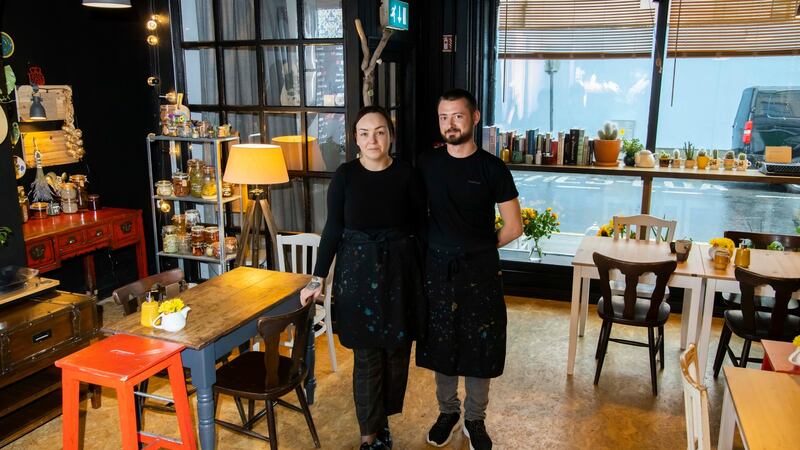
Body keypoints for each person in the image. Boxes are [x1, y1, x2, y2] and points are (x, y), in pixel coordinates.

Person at [300, 105, 426, 450]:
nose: (373, 139)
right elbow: (333, 230)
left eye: (381, 131)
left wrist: (431, 279)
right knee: (367, 359)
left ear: (391, 137)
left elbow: (421, 229)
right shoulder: (345, 176)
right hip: (357, 275)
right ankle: (369, 437)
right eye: (365, 133)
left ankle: (382, 421)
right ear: (355, 139)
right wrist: (317, 279)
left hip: (400, 274)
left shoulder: (408, 175)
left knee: (397, 355)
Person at [416, 89, 522, 450]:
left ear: (474, 118)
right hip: (437, 271)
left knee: (481, 347)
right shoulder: (426, 164)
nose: (450, 124)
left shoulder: (492, 168)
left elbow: (513, 226)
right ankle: (448, 412)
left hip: (480, 272)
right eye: (444, 117)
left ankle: (475, 420)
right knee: (442, 344)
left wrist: (480, 247)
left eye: (458, 116)